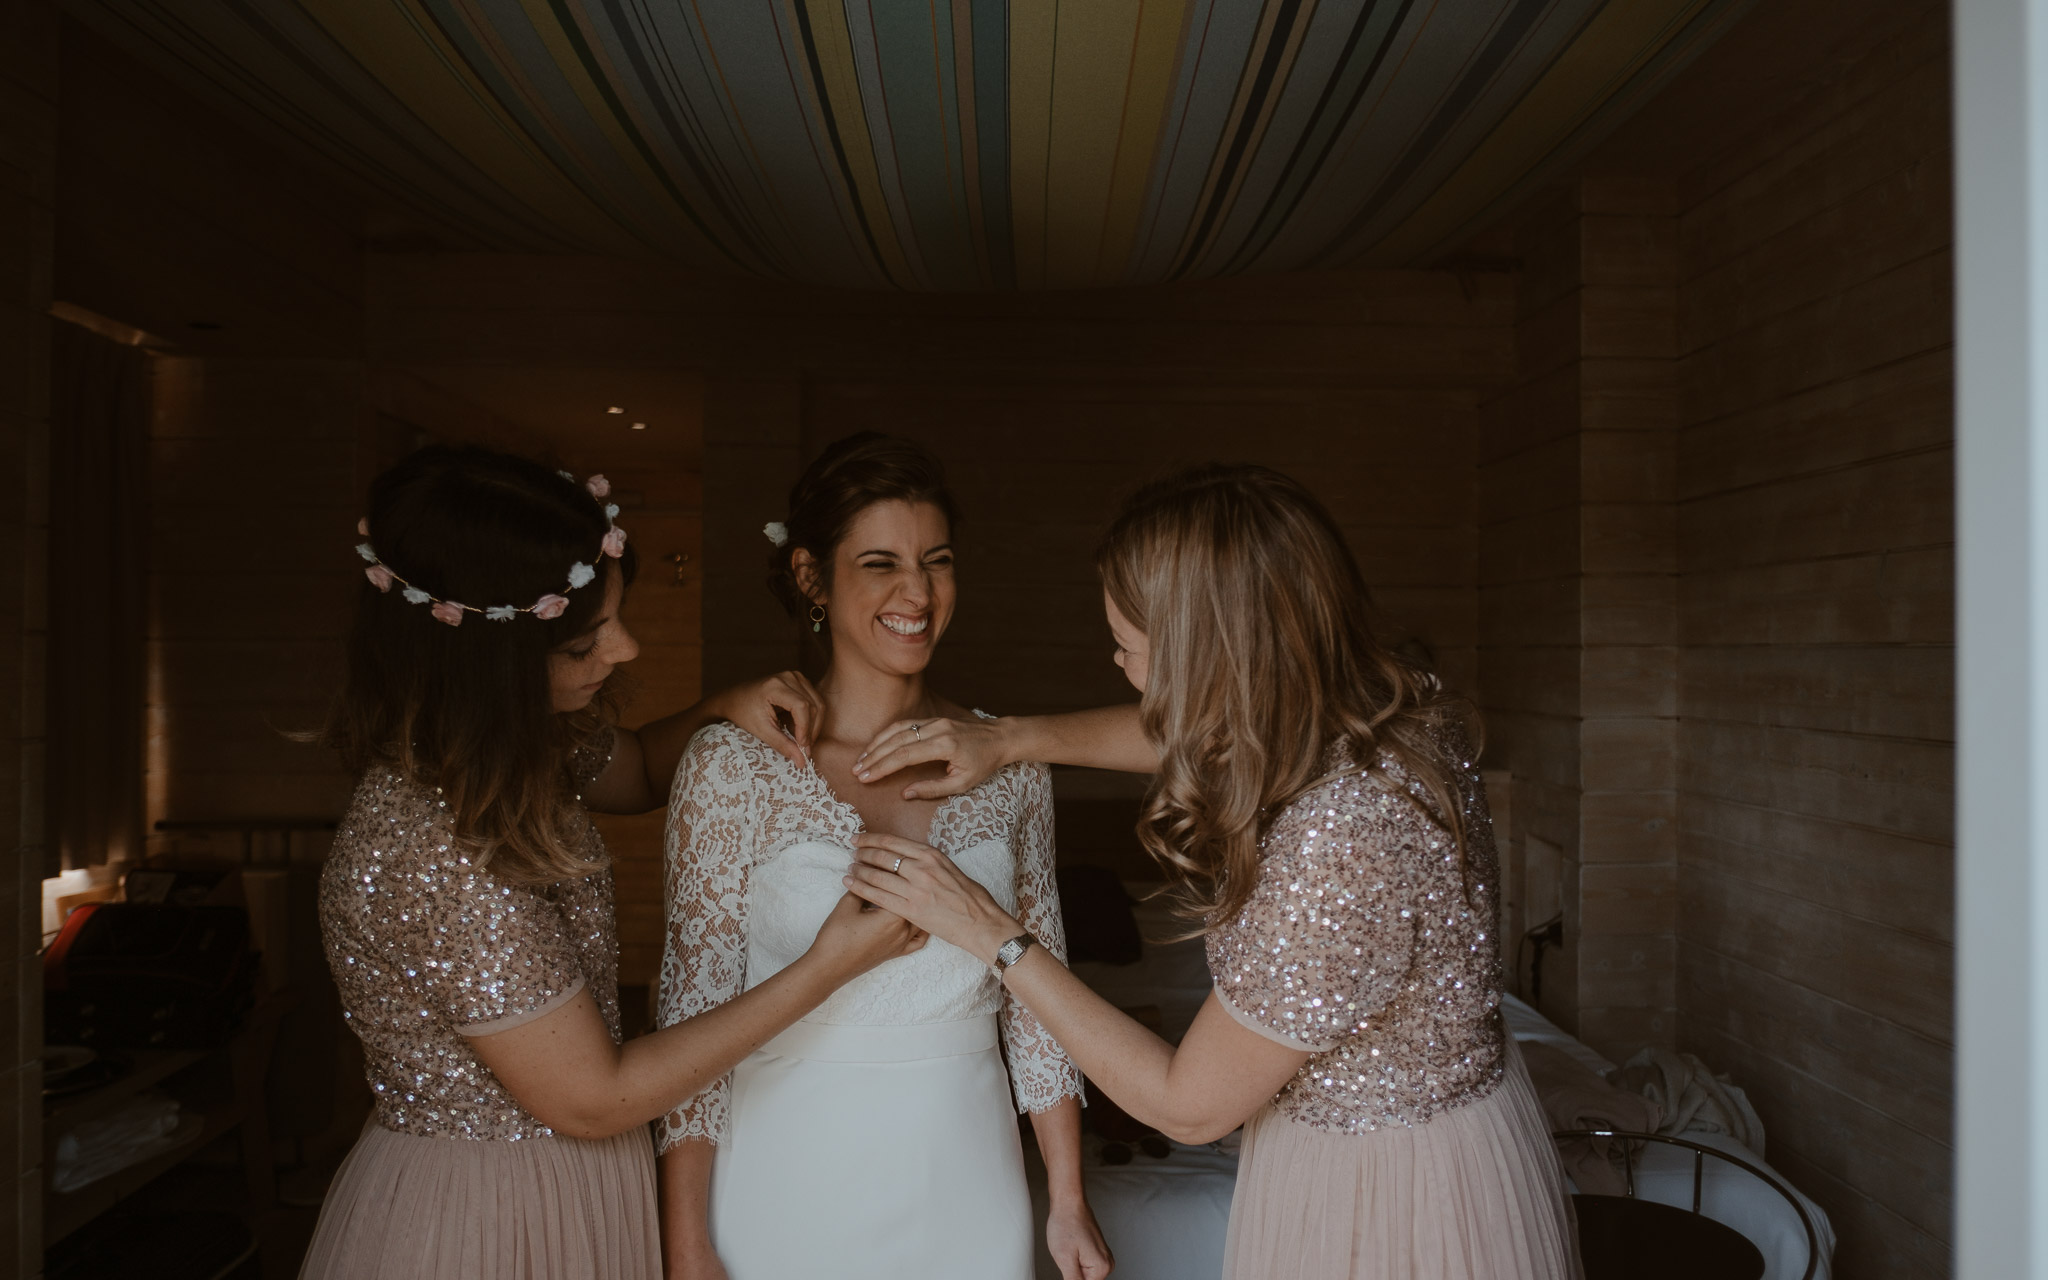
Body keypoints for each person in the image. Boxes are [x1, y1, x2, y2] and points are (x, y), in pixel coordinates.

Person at [842, 464, 1583, 1279]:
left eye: (1130, 649)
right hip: (1460, 1131)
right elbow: (1217, 735)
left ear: (1210, 653)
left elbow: (1186, 1109)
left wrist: (991, 932)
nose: (1121, 667)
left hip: (1385, 1188)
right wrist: (1011, 739)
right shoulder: (1390, 711)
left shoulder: (1341, 839)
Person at [300, 445, 923, 1280]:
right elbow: (595, 1099)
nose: (625, 650)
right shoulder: (435, 849)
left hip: (575, 1179)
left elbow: (632, 771)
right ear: (492, 665)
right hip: (492, 1214)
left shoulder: (517, 746)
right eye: (588, 641)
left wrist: (723, 708)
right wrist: (827, 969)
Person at [655, 434, 1112, 1280]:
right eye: (880, 563)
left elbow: (1038, 1000)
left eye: (936, 561)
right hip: (780, 1170)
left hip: (966, 1167)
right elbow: (694, 1003)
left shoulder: (1011, 765)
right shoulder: (730, 765)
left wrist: (1069, 1198)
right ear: (808, 576)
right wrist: (687, 1243)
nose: (917, 593)